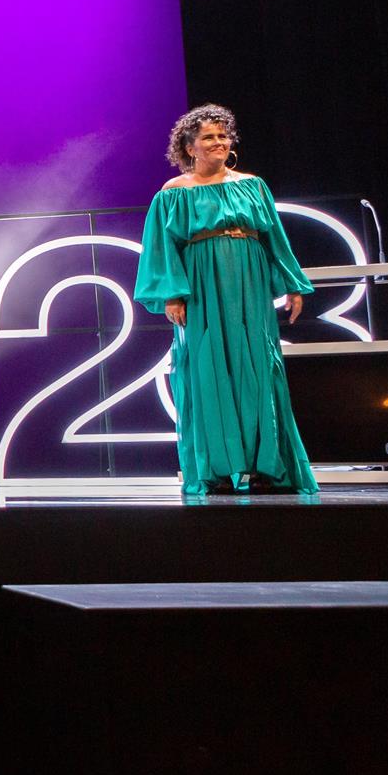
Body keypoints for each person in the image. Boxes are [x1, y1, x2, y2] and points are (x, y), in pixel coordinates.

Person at [133, 104, 317, 495]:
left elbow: (274, 239)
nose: (217, 143)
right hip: (201, 285)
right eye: (207, 138)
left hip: (248, 284)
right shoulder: (173, 193)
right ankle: (219, 468)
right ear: (189, 146)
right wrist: (172, 295)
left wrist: (293, 284)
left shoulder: (252, 185)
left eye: (222, 136)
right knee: (207, 370)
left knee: (257, 368)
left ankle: (265, 465)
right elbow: (163, 249)